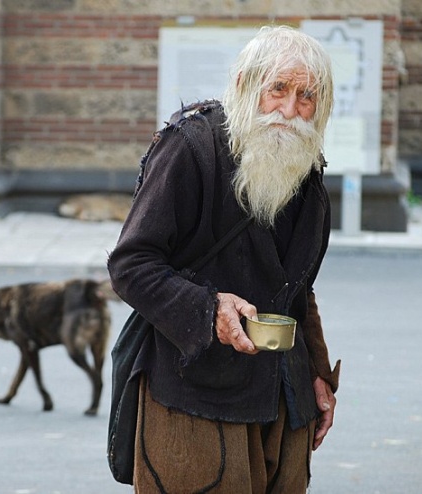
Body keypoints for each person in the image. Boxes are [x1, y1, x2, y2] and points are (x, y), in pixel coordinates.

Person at [107, 25, 341, 493]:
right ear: (243, 85)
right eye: (277, 89)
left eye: (307, 97)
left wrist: (317, 373)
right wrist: (209, 308)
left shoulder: (306, 166)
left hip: (283, 400)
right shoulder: (191, 147)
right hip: (195, 401)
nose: (290, 111)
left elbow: (297, 288)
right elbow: (131, 264)